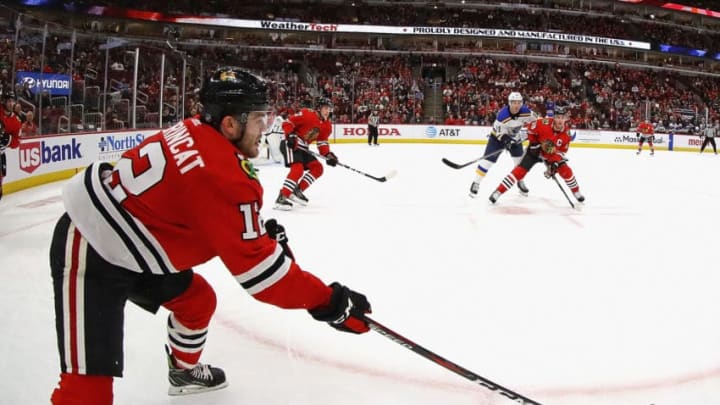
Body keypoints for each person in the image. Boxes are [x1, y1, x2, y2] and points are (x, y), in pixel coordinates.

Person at [49, 67, 372, 405]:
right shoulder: (226, 175)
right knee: (87, 393)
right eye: (259, 119)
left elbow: (196, 204)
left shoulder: (194, 128)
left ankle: (183, 372)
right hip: (91, 245)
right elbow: (263, 280)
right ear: (230, 124)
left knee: (197, 301)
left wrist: (253, 233)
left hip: (134, 242)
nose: (265, 128)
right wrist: (328, 301)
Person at [488, 104, 585, 205]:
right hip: (534, 151)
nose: (560, 120)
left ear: (566, 119)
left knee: (566, 170)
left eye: (562, 118)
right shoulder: (543, 123)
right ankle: (498, 191)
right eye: (557, 117)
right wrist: (534, 144)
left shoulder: (567, 134)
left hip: (550, 155)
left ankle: (576, 191)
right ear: (554, 117)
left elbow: (561, 151)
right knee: (519, 171)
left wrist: (555, 163)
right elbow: (529, 130)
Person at [469, 92, 536, 198]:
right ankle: (476, 182)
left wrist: (536, 131)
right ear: (509, 103)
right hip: (497, 138)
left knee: (520, 164)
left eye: (519, 103)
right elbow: (499, 133)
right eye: (514, 102)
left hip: (515, 138)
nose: (517, 105)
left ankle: (520, 181)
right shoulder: (502, 115)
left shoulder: (527, 112)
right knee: (487, 162)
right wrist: (507, 141)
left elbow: (537, 121)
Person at [274, 97, 338, 210]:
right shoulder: (307, 114)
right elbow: (288, 123)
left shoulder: (327, 125)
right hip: (291, 144)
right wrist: (291, 135)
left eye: (329, 109)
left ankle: (296, 190)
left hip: (303, 148)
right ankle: (282, 197)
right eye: (325, 108)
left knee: (318, 168)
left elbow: (322, 142)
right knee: (297, 169)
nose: (328, 111)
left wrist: (328, 155)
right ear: (319, 108)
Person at [0, 92, 22, 202]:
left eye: (12, 101)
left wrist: (7, 139)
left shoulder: (16, 122)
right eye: (8, 100)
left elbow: (16, 142)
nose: (10, 103)